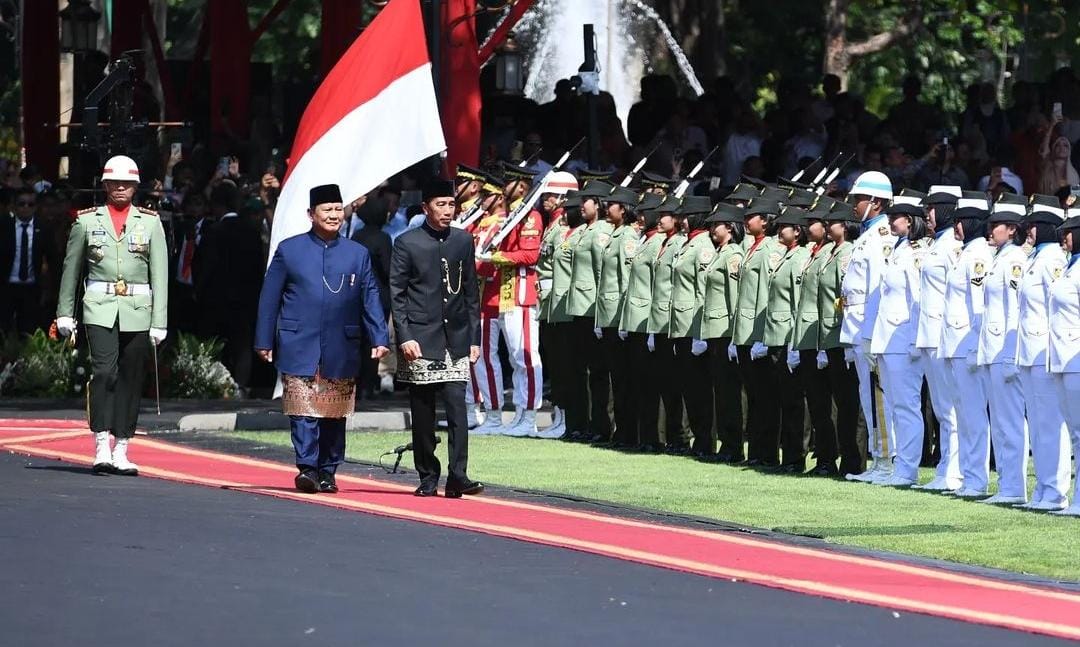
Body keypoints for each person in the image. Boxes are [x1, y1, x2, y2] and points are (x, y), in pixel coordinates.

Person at [255, 183, 389, 494]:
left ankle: (328, 469)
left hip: (342, 342)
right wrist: (264, 340)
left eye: (337, 209)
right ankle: (307, 468)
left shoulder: (358, 253)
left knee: (334, 411)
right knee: (303, 408)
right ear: (311, 214)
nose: (333, 215)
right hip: (298, 340)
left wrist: (379, 336)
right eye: (326, 210)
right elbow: (269, 298)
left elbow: (370, 297)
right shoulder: (290, 250)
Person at [55, 155, 168, 476]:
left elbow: (160, 275)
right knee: (104, 372)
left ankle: (122, 447)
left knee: (131, 378)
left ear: (135, 187)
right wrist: (65, 312)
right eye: (115, 183)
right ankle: (101, 441)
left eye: (127, 184)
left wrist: (160, 320)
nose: (121, 188)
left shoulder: (150, 222)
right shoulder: (87, 221)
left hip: (137, 309)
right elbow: (71, 270)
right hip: (99, 307)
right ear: (104, 185)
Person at [389, 178, 483, 498]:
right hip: (419, 338)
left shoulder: (463, 240)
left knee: (458, 408)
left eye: (451, 204)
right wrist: (404, 336)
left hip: (455, 337)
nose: (447, 210)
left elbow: (472, 292)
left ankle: (459, 475)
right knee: (424, 412)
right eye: (440, 204)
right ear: (426, 207)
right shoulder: (407, 242)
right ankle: (428, 474)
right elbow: (397, 295)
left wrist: (474, 338)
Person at [840, 171, 897, 483]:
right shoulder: (867, 235)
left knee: (878, 398)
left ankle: (886, 462)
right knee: (868, 397)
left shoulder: (881, 238)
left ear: (875, 202)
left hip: (868, 329)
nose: (853, 204)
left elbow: (878, 289)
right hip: (857, 327)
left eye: (859, 199)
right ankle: (878, 461)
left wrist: (872, 336)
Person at [869, 195, 930, 487]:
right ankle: (900, 467)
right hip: (888, 337)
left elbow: (918, 299)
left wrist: (916, 342)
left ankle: (908, 470)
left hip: (904, 338)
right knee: (895, 405)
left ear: (910, 220)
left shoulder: (916, 253)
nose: (891, 221)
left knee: (907, 405)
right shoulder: (897, 249)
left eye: (896, 216)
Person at [1015, 196, 1070, 510]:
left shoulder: (1052, 261)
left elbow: (1058, 309)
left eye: (1035, 225)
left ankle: (1055, 492)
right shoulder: (1036, 258)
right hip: (1029, 351)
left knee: (1050, 425)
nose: (1029, 230)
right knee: (1037, 425)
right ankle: (1042, 490)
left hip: (1045, 351)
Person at [975, 195, 1030, 504]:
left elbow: (1015, 310)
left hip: (1004, 348)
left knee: (1009, 421)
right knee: (1000, 420)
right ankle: (1007, 484)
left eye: (997, 225)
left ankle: (1013, 488)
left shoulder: (1014, 260)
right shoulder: (1000, 258)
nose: (991, 230)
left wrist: (1011, 354)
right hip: (992, 347)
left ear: (1012, 230)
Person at [939, 194, 994, 498]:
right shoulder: (965, 252)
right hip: (955, 343)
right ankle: (966, 477)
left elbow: (978, 307)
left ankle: (976, 480)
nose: (956, 226)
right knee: (963, 415)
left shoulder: (977, 255)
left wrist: (975, 347)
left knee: (973, 416)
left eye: (960, 221)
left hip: (967, 344)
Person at [912, 185, 964, 491]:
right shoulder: (936, 244)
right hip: (930, 333)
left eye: (931, 209)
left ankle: (953, 470)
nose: (926, 215)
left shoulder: (951, 247)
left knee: (950, 407)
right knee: (943, 407)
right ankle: (946, 467)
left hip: (944, 334)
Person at [619, 195, 674, 452]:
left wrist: (653, 326)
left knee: (652, 384)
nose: (640, 218)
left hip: (648, 321)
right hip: (636, 320)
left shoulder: (657, 245)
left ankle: (655, 437)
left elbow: (658, 288)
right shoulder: (647, 241)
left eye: (647, 213)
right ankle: (643, 434)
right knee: (638, 382)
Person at [732, 198, 783, 466]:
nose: (746, 220)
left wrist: (763, 335)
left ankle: (767, 453)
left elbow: (766, 296)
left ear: (765, 220)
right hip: (744, 331)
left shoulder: (770, 250)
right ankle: (756, 452)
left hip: (758, 332)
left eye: (751, 215)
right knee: (754, 396)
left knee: (766, 398)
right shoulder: (752, 247)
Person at [566, 180, 616, 443]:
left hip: (592, 310)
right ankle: (585, 423)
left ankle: (602, 426)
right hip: (579, 308)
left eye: (586, 200)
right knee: (583, 370)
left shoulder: (601, 232)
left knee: (598, 372)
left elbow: (601, 273)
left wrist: (599, 313)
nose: (581, 205)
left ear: (597, 204)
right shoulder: (586, 230)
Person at [668, 196, 717, 457]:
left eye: (686, 216)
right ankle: (695, 439)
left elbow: (703, 291)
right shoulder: (688, 244)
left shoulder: (704, 246)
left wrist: (700, 331)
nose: (682, 221)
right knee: (688, 387)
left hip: (694, 326)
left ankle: (705, 441)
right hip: (681, 325)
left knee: (699, 390)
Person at [762, 207, 810, 472]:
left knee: (793, 401)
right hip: (776, 335)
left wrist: (794, 341)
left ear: (798, 231)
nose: (780, 231)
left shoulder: (800, 257)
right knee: (782, 399)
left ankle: (795, 457)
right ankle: (787, 454)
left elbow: (797, 303)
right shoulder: (787, 255)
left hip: (788, 336)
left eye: (786, 227)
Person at [818, 203, 864, 476]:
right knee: (838, 403)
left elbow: (845, 297)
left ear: (844, 226)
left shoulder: (847, 253)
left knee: (849, 405)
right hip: (829, 336)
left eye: (831, 222)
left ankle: (853, 461)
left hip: (841, 334)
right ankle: (840, 458)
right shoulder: (829, 251)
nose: (826, 226)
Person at [791, 200, 837, 475]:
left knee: (829, 405)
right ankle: (822, 457)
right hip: (808, 335)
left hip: (826, 335)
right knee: (816, 404)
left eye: (814, 223)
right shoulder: (812, 252)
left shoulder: (834, 252)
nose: (809, 228)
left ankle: (830, 458)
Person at [594, 186, 640, 448]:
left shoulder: (627, 238)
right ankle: (620, 431)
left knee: (623, 380)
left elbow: (627, 281)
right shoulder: (614, 234)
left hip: (619, 317)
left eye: (611, 204)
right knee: (615, 378)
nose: (606, 207)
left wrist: (623, 319)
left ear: (623, 209)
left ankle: (627, 433)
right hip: (608, 316)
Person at [700, 202, 745, 462]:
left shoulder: (733, 256)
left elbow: (735, 298)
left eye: (716, 224)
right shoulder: (721, 252)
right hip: (714, 330)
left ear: (728, 227)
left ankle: (733, 446)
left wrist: (734, 336)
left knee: (729, 393)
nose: (711, 228)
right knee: (721, 391)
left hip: (726, 330)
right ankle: (726, 444)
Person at [1047, 212, 1080, 516]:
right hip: (1062, 355)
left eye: (1070, 232)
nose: (1064, 237)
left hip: (1076, 356)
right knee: (1074, 431)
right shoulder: (1070, 266)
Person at [2, 186, 57, 333]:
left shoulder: (43, 228)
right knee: (4, 329)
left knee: (27, 330)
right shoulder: (4, 226)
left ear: (36, 207)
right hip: (6, 286)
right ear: (15, 206)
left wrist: (50, 289)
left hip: (31, 288)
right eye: (22, 204)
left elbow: (53, 260)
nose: (26, 208)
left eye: (30, 204)